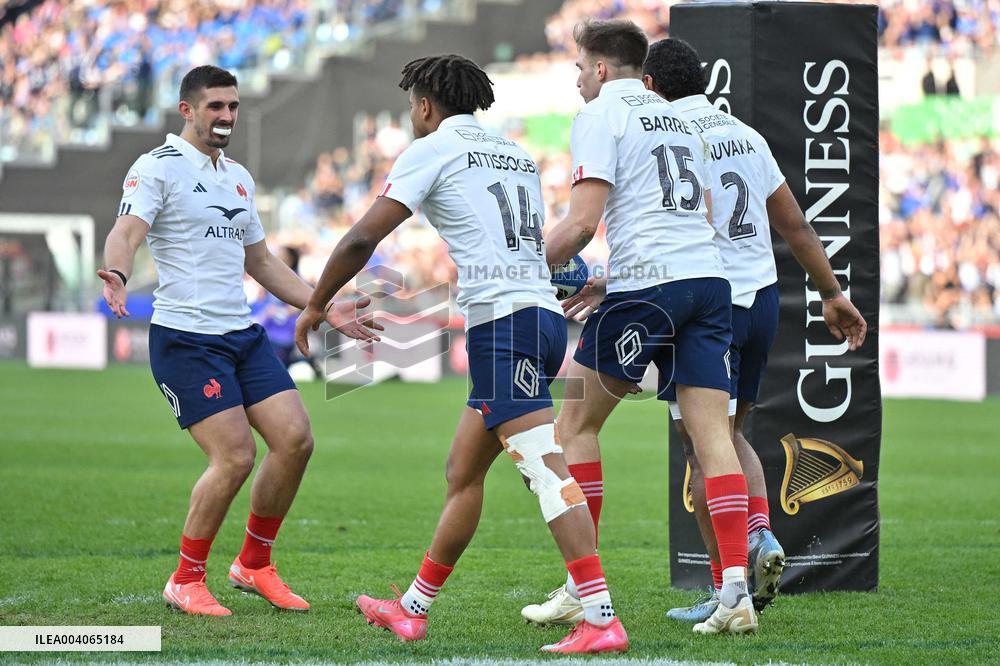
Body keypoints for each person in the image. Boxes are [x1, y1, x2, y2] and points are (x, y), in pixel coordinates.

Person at [294, 54, 629, 654]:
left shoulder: (432, 149)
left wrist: (317, 303)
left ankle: (601, 617)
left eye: (411, 106)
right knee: (463, 471)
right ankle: (413, 609)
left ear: (424, 106)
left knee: (545, 470)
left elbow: (363, 236)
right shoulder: (516, 154)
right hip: (538, 319)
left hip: (506, 325)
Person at [98, 65, 380, 617]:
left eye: (232, 106)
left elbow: (262, 262)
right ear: (187, 110)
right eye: (215, 107)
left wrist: (320, 303)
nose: (226, 116)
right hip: (186, 338)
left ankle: (253, 565)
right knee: (233, 457)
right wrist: (117, 270)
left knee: (296, 440)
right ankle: (185, 578)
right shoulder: (157, 167)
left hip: (241, 334)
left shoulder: (239, 178)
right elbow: (127, 230)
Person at [523, 19, 753, 635]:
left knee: (572, 423)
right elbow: (699, 211)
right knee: (714, 436)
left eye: (578, 67)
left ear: (600, 67)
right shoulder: (679, 115)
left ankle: (582, 587)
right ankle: (736, 591)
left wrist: (519, 269)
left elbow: (579, 225)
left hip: (648, 288)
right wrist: (610, 277)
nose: (576, 79)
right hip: (707, 284)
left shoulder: (600, 115)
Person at [640, 38, 868, 623]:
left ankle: (726, 588)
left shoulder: (664, 134)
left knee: (700, 445)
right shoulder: (746, 134)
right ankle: (761, 534)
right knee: (733, 431)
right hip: (762, 298)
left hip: (707, 305)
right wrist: (833, 293)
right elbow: (795, 226)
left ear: (650, 87)